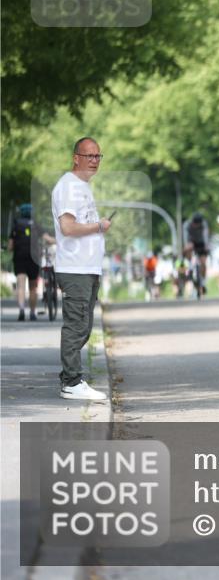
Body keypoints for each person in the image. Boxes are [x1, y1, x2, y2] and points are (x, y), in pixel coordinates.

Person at [50, 137, 109, 401]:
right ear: (76, 158)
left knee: (84, 326)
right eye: (89, 156)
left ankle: (69, 378)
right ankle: (72, 382)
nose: (94, 161)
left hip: (87, 268)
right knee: (76, 326)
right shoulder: (68, 187)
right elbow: (68, 227)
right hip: (75, 269)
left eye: (98, 156)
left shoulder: (81, 187)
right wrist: (99, 226)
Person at [7, 203, 41, 321]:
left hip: (19, 257)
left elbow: (11, 246)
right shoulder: (36, 224)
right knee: (33, 287)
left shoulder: (16, 223)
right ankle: (32, 313)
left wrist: (9, 249)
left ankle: (21, 309)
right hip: (33, 257)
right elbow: (44, 238)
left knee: (20, 286)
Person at [182, 211, 210, 297]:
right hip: (191, 242)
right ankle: (189, 267)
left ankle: (203, 281)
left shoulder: (204, 225)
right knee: (188, 249)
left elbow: (206, 236)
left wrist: (206, 245)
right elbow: (185, 237)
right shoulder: (187, 225)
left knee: (203, 262)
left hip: (201, 243)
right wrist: (187, 245)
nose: (197, 226)